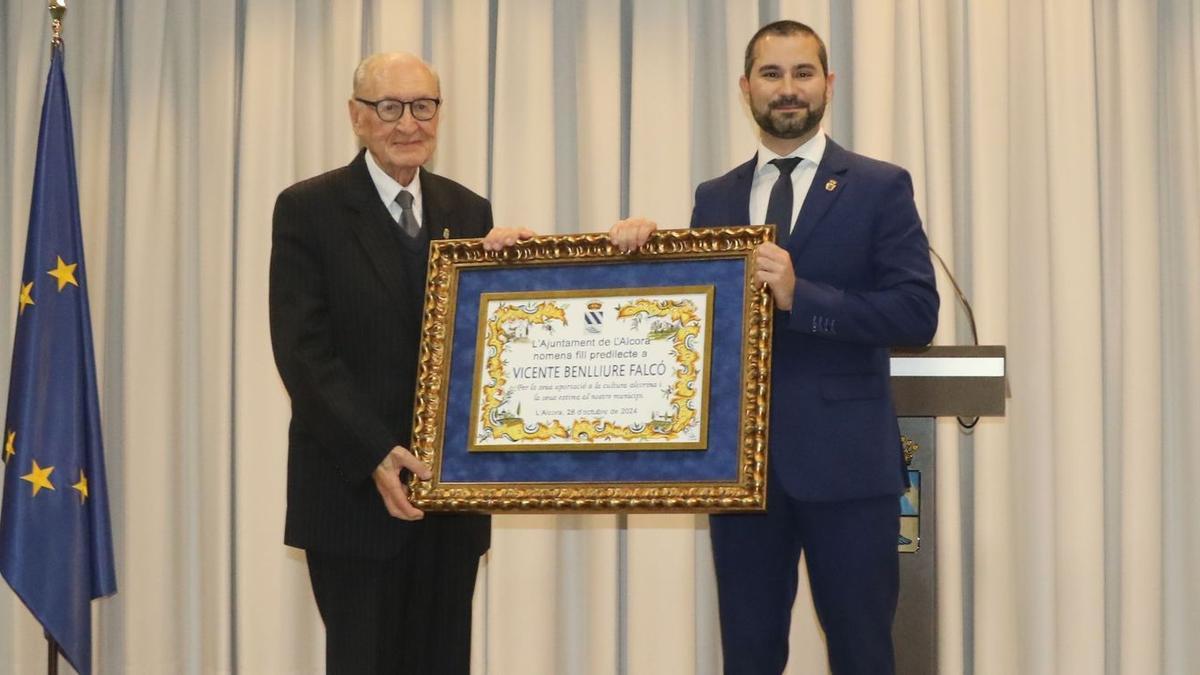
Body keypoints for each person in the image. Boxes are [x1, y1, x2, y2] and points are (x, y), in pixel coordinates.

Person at [610, 21, 939, 675]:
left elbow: (916, 313)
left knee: (863, 652)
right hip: (742, 474)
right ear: (745, 88)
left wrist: (802, 297)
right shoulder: (716, 196)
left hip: (848, 469)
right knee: (749, 656)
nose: (787, 89)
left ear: (828, 84)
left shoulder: (879, 185)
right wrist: (644, 255)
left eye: (802, 73)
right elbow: (697, 321)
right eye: (771, 74)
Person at [269, 52, 531, 674]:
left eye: (423, 106)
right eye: (389, 107)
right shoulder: (308, 208)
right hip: (352, 495)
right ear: (357, 117)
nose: (407, 123)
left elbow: (486, 345)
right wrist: (374, 453)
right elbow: (303, 353)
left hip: (450, 504)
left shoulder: (471, 213)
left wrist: (509, 274)